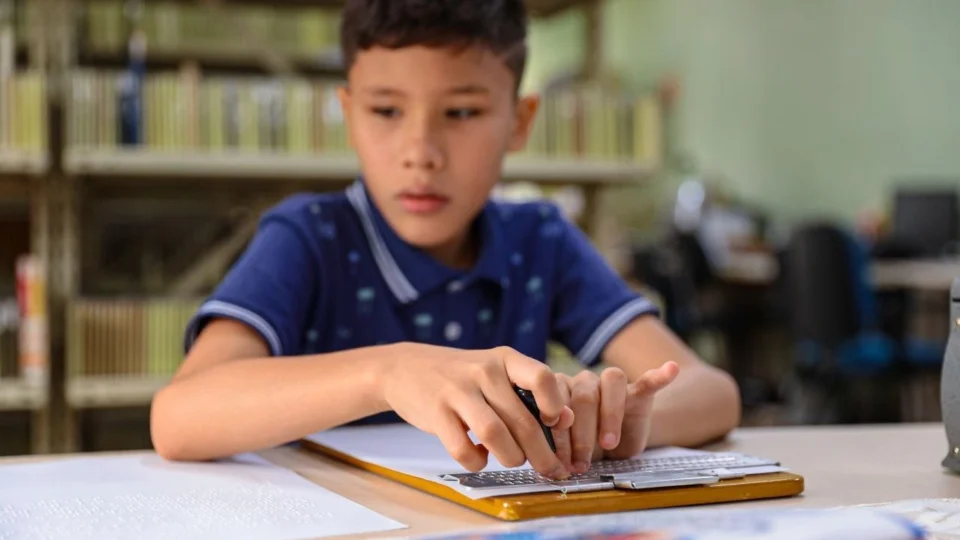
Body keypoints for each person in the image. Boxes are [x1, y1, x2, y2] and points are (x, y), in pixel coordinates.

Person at [150, 0, 740, 481]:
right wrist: (387, 372)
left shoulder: (540, 238)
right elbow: (179, 416)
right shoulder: (309, 235)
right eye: (385, 111)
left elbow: (711, 392)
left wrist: (614, 422)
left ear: (520, 121)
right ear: (349, 116)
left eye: (460, 113)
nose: (421, 154)